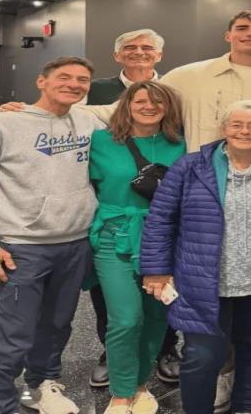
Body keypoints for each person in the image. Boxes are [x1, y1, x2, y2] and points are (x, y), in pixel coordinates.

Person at [139, 100, 251, 414]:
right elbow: (160, 219)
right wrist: (156, 269)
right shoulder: (190, 167)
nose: (244, 131)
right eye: (236, 124)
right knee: (201, 356)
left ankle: (245, 408)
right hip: (202, 281)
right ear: (224, 129)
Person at [84, 10, 251, 175]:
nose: (250, 33)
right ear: (228, 36)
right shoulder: (189, 76)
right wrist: (69, 110)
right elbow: (131, 107)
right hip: (209, 179)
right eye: (242, 28)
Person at [0, 57, 104, 414]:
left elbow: (140, 105)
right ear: (41, 81)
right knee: (15, 331)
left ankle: (41, 386)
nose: (74, 84)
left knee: (57, 324)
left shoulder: (89, 120)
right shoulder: (6, 123)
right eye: (64, 77)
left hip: (74, 242)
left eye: (82, 79)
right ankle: (2, 401)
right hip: (21, 245)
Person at [85, 28, 178, 389]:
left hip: (163, 234)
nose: (148, 106)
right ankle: (118, 376)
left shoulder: (180, 139)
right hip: (116, 233)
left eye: (156, 102)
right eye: (140, 101)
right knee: (122, 314)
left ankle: (149, 370)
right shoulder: (99, 132)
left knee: (157, 312)